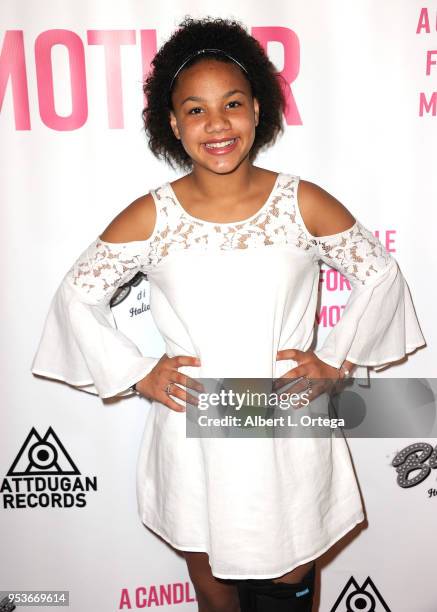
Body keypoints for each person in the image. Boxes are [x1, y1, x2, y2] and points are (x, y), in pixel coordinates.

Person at [31, 16, 426, 612]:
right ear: (172, 122)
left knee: (288, 580)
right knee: (213, 583)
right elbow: (75, 296)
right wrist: (139, 371)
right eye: (195, 109)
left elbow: (381, 275)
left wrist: (337, 360)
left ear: (258, 111)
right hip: (197, 429)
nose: (217, 124)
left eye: (233, 104)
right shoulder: (151, 216)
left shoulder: (303, 202)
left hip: (286, 420)